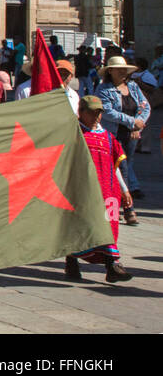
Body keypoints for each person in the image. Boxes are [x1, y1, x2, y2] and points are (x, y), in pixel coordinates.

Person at [65, 96, 132, 282]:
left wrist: (124, 189)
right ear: (81, 112)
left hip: (109, 191)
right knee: (80, 227)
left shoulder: (109, 137)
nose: (96, 116)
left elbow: (115, 166)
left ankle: (112, 266)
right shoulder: (75, 134)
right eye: (92, 112)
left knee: (109, 228)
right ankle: (71, 263)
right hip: (83, 191)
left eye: (99, 112)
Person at [96, 55, 150, 203]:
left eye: (124, 70)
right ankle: (126, 196)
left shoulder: (133, 86)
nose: (122, 72)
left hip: (131, 132)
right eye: (118, 70)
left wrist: (138, 125)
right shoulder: (103, 89)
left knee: (128, 161)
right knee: (119, 164)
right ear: (110, 71)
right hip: (114, 132)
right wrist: (132, 122)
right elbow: (107, 112)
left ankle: (127, 191)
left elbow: (144, 106)